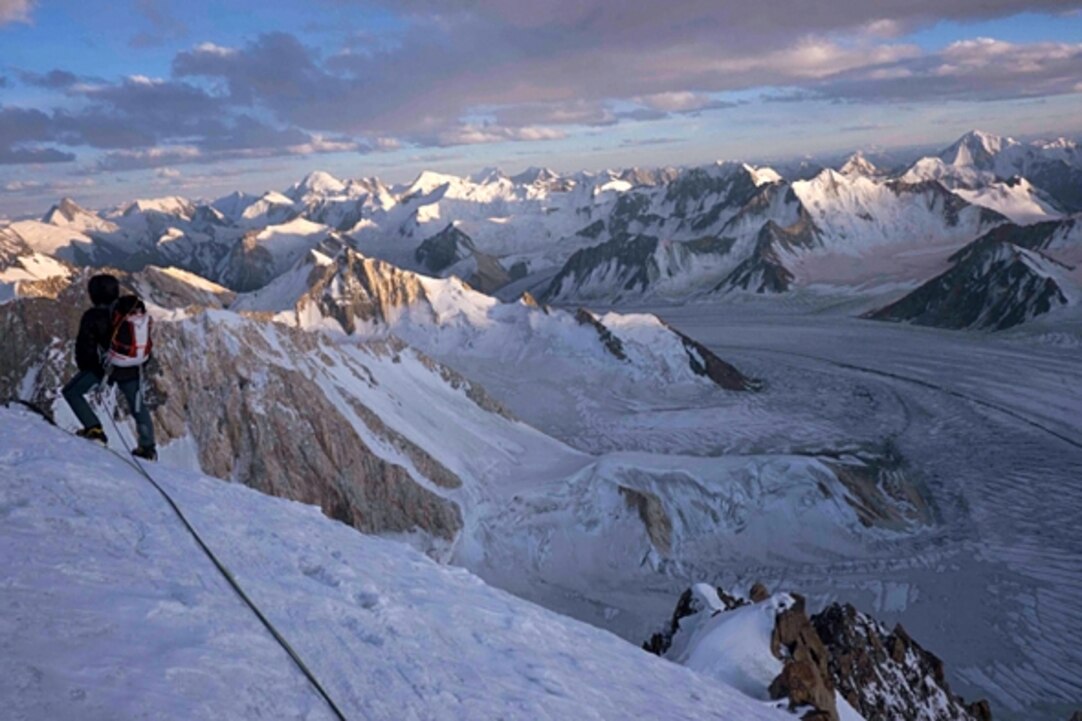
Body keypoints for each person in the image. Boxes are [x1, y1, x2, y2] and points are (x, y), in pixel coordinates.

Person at [62, 273, 157, 461]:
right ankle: (147, 448)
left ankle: (94, 429)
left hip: (108, 368)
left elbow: (86, 348)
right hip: (134, 367)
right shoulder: (131, 310)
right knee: (138, 405)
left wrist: (90, 370)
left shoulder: (93, 316)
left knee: (72, 392)